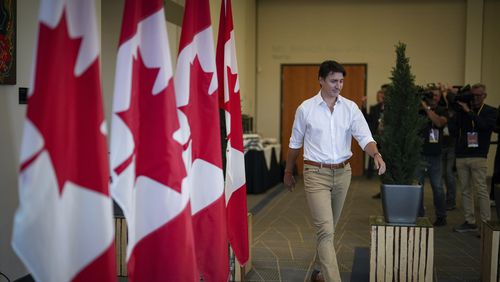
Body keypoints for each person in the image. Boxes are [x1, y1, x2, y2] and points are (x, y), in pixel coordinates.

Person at [283, 60, 386, 282]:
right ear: (320, 80)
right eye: (333, 81)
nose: (338, 85)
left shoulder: (350, 108)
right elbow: (294, 144)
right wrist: (288, 172)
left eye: (341, 81)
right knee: (326, 231)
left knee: (330, 228)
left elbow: (364, 137)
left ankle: (320, 272)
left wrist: (376, 154)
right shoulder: (306, 109)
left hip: (342, 174)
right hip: (315, 174)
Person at [449, 83, 498, 233]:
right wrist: (456, 110)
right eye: (473, 95)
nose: (475, 98)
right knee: (465, 190)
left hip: (479, 156)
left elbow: (484, 126)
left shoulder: (490, 111)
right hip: (462, 155)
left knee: (481, 190)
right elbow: (453, 130)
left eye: (478, 95)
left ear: (485, 96)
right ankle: (470, 221)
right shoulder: (462, 111)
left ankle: (485, 224)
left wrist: (469, 112)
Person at [417, 86, 448, 226]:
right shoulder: (419, 111)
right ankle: (418, 215)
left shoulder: (442, 109)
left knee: (438, 187)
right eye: (432, 95)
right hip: (419, 155)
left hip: (435, 155)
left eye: (436, 95)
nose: (434, 98)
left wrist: (427, 108)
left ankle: (441, 216)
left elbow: (439, 122)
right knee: (418, 187)